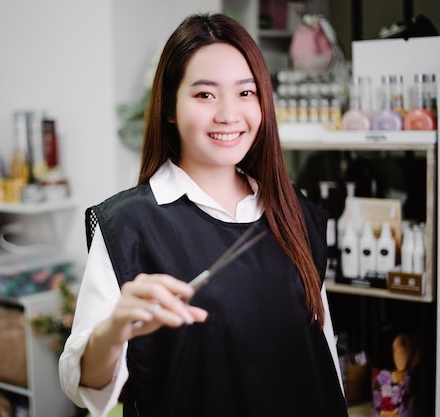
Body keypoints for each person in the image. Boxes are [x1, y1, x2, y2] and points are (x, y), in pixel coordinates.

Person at [59, 12, 348, 417]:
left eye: (246, 93)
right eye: (205, 95)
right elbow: (81, 385)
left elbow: (324, 355)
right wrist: (112, 332)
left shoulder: (294, 211)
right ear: (170, 108)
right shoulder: (128, 227)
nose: (229, 114)